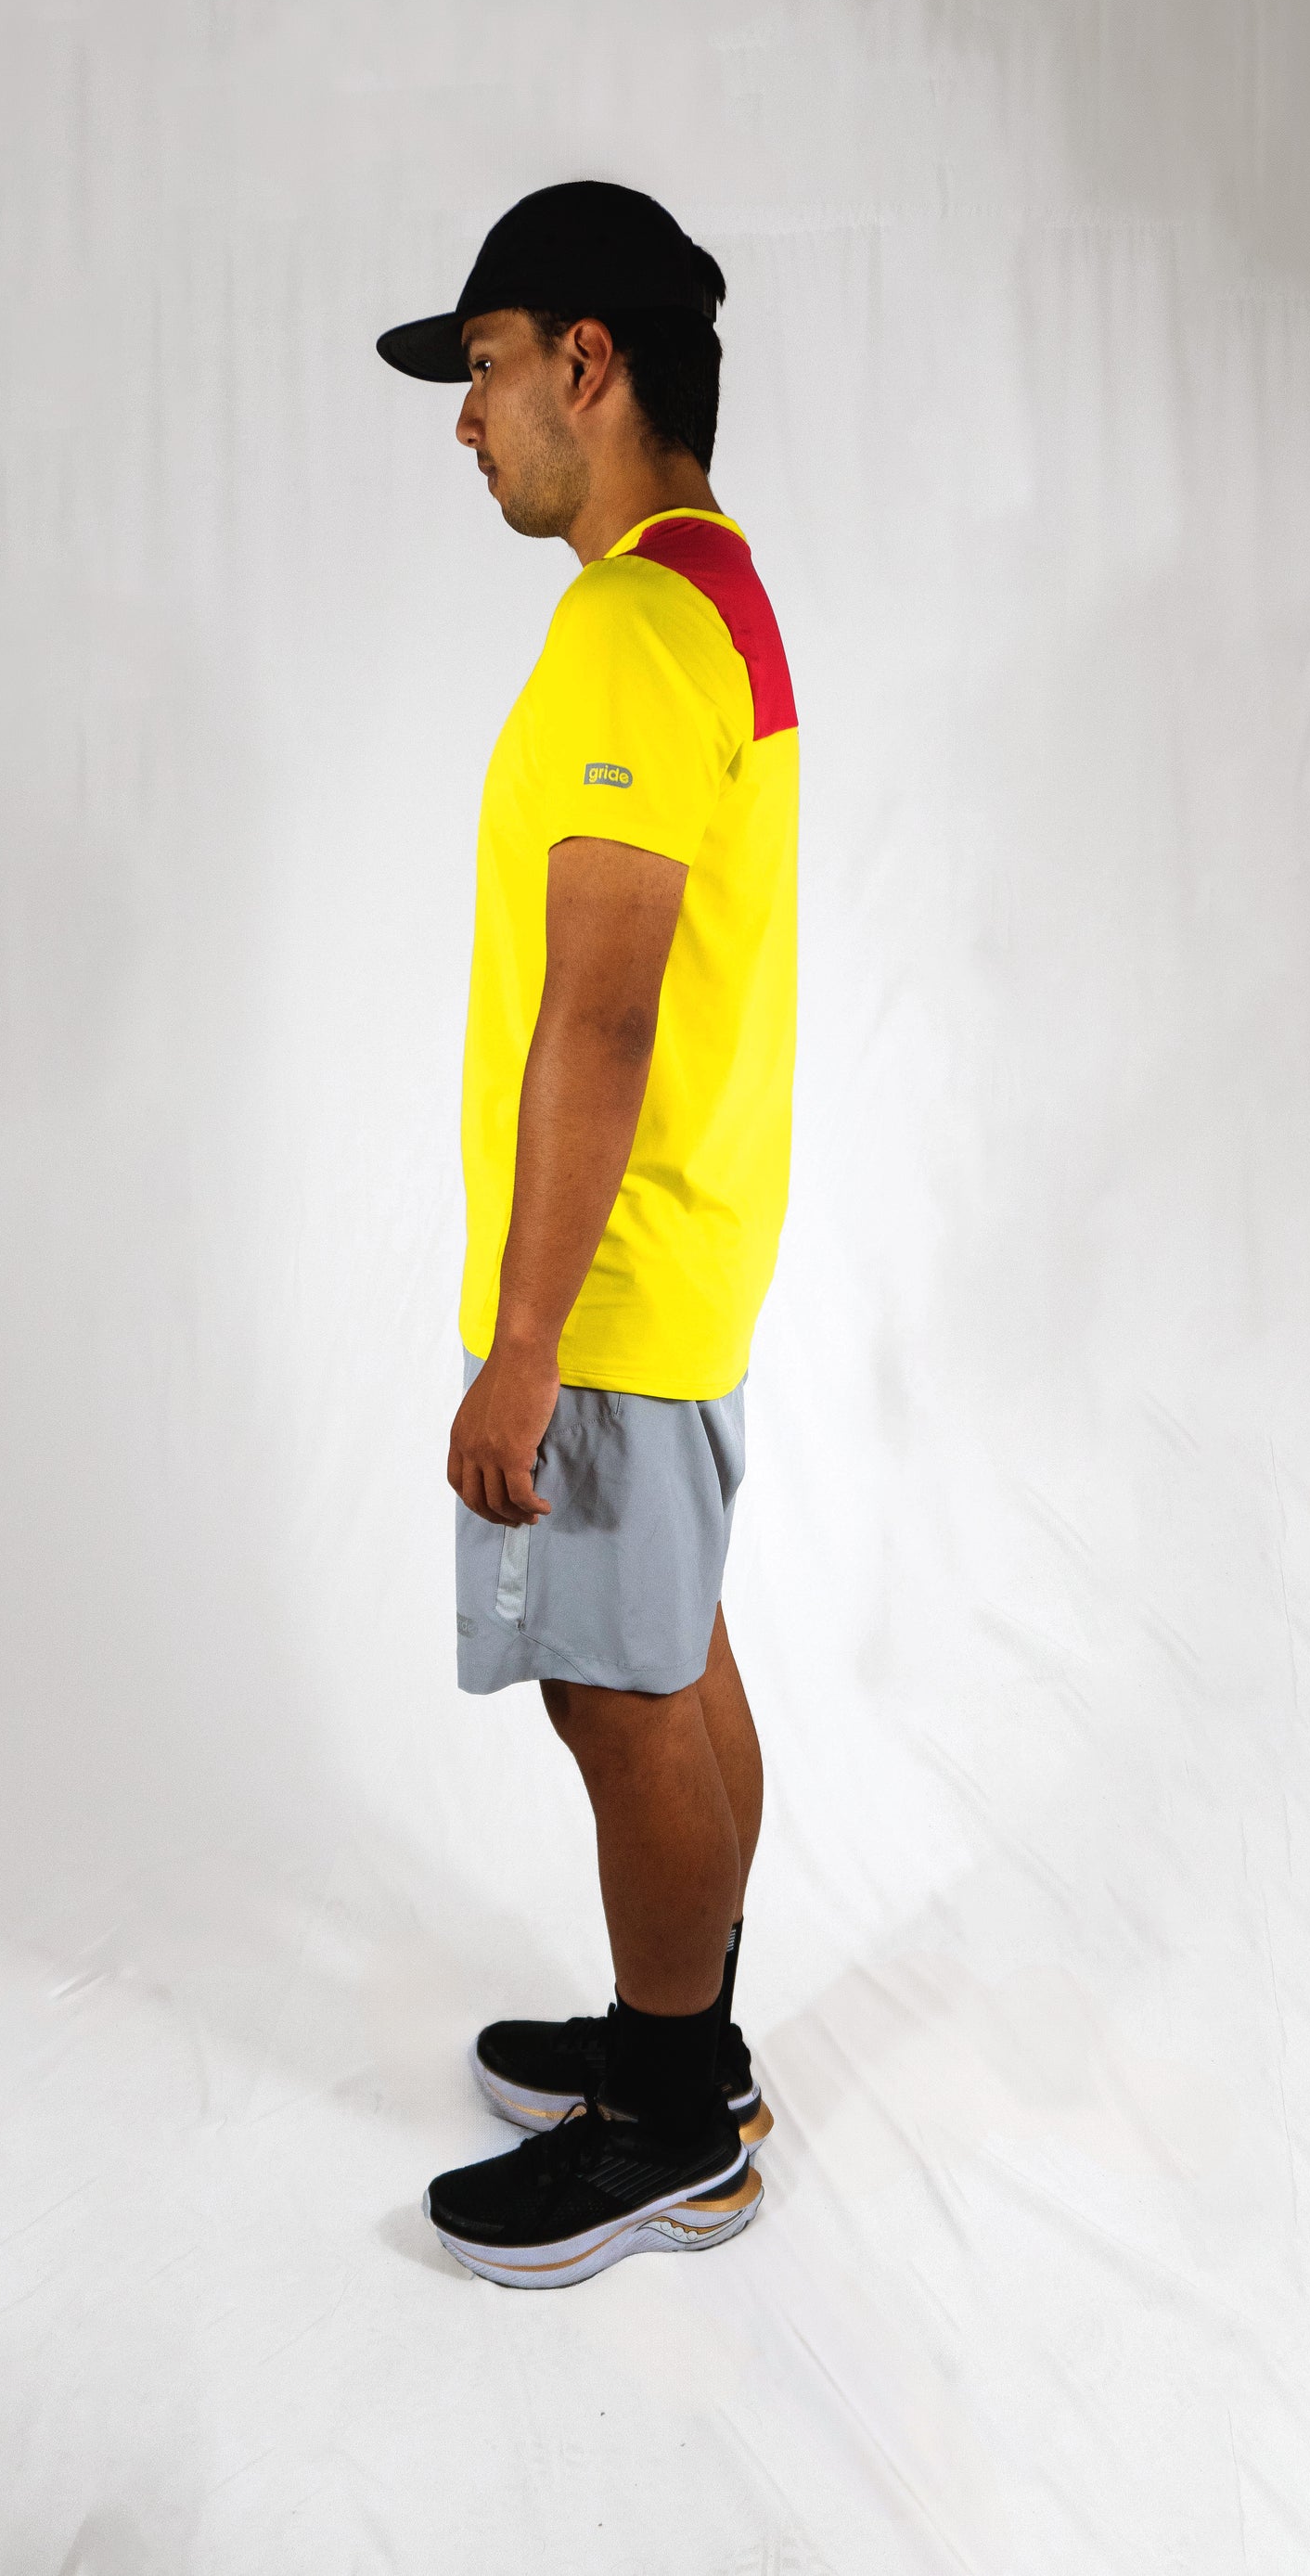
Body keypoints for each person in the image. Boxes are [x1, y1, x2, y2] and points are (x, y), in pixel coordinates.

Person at [376, 180, 798, 2288]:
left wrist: (525, 1338)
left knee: (616, 1698)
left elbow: (606, 1008)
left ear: (588, 361)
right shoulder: (719, 588)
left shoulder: (631, 625)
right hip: (683, 1251)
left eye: (481, 369)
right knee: (673, 1657)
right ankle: (683, 2036)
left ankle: (668, 2122)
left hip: (611, 1288)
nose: (466, 421)